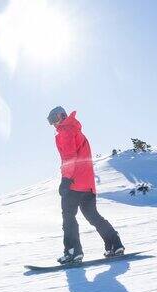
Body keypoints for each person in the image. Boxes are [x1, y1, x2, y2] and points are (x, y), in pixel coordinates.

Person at [47, 106, 124, 264]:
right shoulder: (77, 130)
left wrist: (66, 179)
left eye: (54, 119)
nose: (54, 124)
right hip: (88, 184)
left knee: (68, 217)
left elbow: (69, 157)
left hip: (74, 182)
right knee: (92, 216)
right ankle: (114, 244)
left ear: (62, 116)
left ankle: (73, 251)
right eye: (50, 121)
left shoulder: (65, 131)